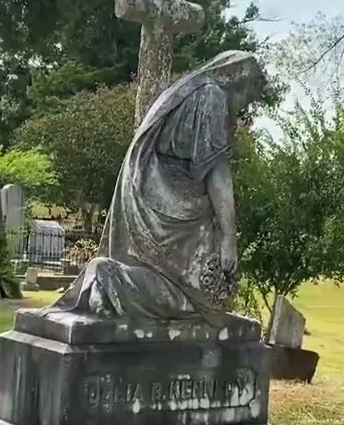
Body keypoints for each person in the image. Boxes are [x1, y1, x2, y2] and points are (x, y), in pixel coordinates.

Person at [45, 50, 267, 326]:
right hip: (171, 203)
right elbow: (217, 171)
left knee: (192, 288)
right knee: (201, 297)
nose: (243, 106)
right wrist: (228, 238)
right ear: (239, 82)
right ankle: (109, 280)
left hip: (156, 190)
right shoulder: (214, 95)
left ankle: (111, 278)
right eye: (247, 97)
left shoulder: (193, 89)